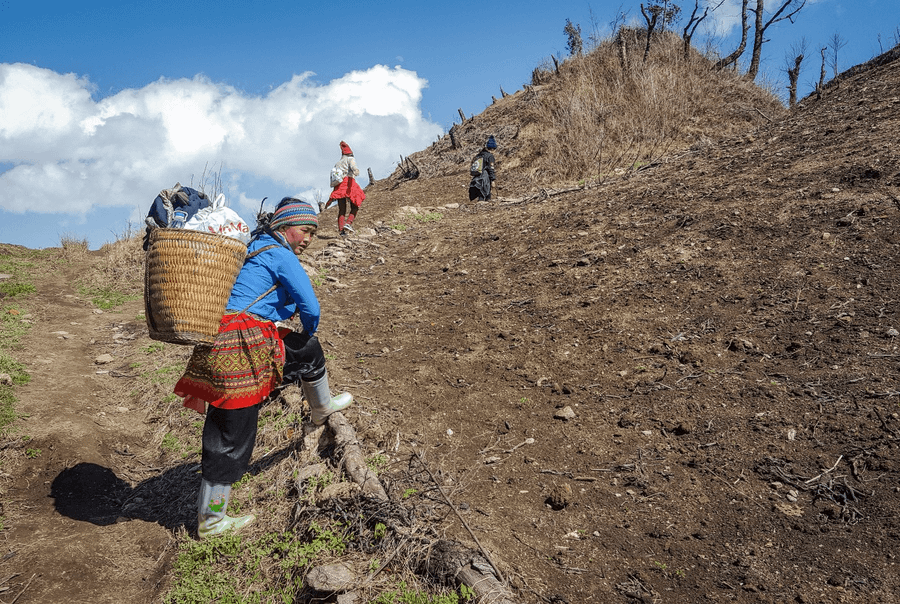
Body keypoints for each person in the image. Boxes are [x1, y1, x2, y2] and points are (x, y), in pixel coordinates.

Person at [173, 197, 353, 539]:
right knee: (233, 431)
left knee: (225, 424)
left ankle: (321, 407)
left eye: (314, 233)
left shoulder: (254, 248)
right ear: (284, 228)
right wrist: (308, 329)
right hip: (243, 344)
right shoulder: (279, 253)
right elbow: (310, 305)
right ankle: (211, 523)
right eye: (305, 231)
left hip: (218, 340)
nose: (309, 239)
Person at [323, 141, 366, 236]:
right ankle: (348, 223)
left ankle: (341, 231)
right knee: (356, 204)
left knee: (342, 209)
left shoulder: (337, 163)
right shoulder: (351, 159)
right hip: (349, 183)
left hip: (339, 186)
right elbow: (354, 168)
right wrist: (356, 172)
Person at [468, 135, 497, 202]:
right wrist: (492, 180)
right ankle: (487, 202)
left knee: (480, 195)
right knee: (486, 192)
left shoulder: (479, 155)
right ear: (492, 148)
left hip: (477, 177)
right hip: (485, 177)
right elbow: (491, 168)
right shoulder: (490, 156)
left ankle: (480, 204)